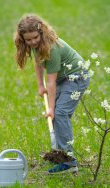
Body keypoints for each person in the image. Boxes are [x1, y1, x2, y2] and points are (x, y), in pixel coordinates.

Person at [14, 14, 90, 174]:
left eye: (35, 37)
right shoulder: (36, 46)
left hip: (76, 77)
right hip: (63, 78)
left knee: (60, 113)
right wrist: (40, 86)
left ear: (41, 32)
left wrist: (51, 108)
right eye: (28, 40)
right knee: (57, 114)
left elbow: (52, 82)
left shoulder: (52, 48)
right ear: (22, 39)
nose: (33, 42)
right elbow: (38, 64)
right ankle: (59, 153)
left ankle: (69, 162)